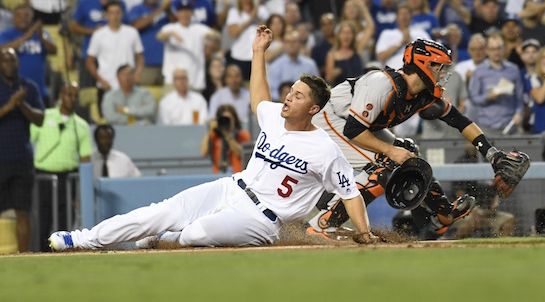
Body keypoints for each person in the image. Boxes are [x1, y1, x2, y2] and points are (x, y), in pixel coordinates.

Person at [48, 24, 376, 251]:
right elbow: (259, 99)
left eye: (299, 95)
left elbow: (350, 193)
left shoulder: (324, 149)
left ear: (314, 108)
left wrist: (364, 233)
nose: (289, 97)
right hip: (230, 187)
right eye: (291, 91)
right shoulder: (276, 116)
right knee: (159, 212)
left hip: (261, 220)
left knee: (195, 233)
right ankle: (83, 238)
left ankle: (168, 240)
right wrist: (258, 52)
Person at [307, 37, 529, 238]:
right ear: (424, 64)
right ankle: (324, 224)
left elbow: (460, 121)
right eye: (439, 67)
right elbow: (353, 130)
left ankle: (441, 214)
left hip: (354, 123)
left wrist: (491, 153)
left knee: (408, 153)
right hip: (328, 117)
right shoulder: (381, 84)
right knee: (388, 162)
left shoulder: (423, 95)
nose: (442, 74)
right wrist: (390, 150)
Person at [31, 82, 91, 251]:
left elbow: (85, 160)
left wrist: (79, 192)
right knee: (42, 219)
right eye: (68, 94)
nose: (71, 98)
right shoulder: (43, 117)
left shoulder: (81, 126)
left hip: (68, 179)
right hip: (42, 177)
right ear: (60, 96)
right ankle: (41, 253)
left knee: (65, 219)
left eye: (75, 95)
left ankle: (63, 253)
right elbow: (28, 142)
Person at [0, 48, 44, 252]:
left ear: (18, 63)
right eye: (4, 60)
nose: (8, 64)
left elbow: (41, 119)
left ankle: (23, 255)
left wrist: (22, 104)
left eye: (12, 60)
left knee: (22, 212)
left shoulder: (29, 87)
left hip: (21, 158)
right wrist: (9, 105)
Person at [0, 5, 57, 106]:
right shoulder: (6, 34)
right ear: (13, 18)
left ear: (32, 17)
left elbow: (53, 51)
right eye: (19, 15)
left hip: (40, 90)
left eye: (26, 15)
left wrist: (41, 36)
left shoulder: (42, 33)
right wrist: (28, 35)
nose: (23, 18)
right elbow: (3, 49)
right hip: (13, 92)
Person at [86, 1, 144, 98]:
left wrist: (137, 76)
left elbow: (140, 58)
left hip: (128, 85)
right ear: (106, 15)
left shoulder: (132, 32)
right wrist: (101, 80)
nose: (115, 16)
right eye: (111, 13)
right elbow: (89, 61)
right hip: (107, 85)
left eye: (118, 12)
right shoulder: (98, 35)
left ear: (122, 14)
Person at [468, 33, 524, 135]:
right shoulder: (479, 71)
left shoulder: (513, 69)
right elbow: (474, 99)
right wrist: (488, 97)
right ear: (487, 51)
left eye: (499, 48)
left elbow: (519, 98)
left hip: (510, 126)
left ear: (504, 49)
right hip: (487, 127)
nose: (496, 52)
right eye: (492, 49)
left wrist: (519, 113)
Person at [158, 0, 217, 92]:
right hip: (172, 81)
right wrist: (172, 33)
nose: (185, 14)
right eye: (181, 11)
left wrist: (214, 36)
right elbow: (159, 36)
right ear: (177, 13)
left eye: (187, 11)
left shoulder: (199, 29)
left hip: (195, 82)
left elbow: (215, 35)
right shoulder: (170, 28)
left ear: (192, 13)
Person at [128, 0, 170, 86]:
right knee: (143, 97)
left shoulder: (166, 8)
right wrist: (160, 10)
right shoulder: (137, 9)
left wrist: (168, 10)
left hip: (167, 63)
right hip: (145, 63)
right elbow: (136, 25)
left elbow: (178, 24)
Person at [200, 104, 251, 174]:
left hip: (237, 176)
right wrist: (210, 130)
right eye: (223, 119)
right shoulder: (214, 136)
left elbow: (241, 153)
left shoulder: (243, 135)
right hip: (218, 176)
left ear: (235, 119)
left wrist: (227, 134)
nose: (226, 122)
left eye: (229, 119)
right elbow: (203, 152)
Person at [268, 31, 319, 101]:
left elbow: (317, 87)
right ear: (284, 44)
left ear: (300, 44)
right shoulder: (276, 66)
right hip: (282, 104)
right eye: (288, 42)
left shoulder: (310, 65)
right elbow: (272, 90)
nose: (291, 45)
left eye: (294, 42)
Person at [208, 65, 251, 129]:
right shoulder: (217, 97)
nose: (234, 80)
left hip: (247, 131)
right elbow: (212, 119)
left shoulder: (249, 95)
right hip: (224, 131)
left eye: (236, 76)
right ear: (226, 79)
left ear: (241, 78)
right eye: (230, 77)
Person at [325, 21, 364, 87]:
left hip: (357, 90)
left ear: (353, 35)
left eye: (349, 33)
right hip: (340, 92)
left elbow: (369, 29)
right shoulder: (331, 55)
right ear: (339, 35)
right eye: (343, 33)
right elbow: (328, 79)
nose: (346, 36)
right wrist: (334, 73)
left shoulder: (357, 51)